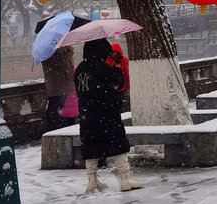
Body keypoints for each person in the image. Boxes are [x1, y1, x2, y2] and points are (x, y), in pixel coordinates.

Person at [74, 38, 144, 193]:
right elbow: (118, 85)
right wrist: (117, 68)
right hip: (106, 113)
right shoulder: (103, 68)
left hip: (86, 114)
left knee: (90, 146)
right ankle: (126, 178)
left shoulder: (80, 69)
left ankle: (92, 181)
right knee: (118, 144)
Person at [42, 45, 75, 132]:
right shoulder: (49, 49)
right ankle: (55, 131)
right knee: (56, 111)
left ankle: (62, 129)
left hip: (64, 87)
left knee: (64, 112)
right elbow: (61, 62)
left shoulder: (59, 48)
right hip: (57, 87)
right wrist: (69, 51)